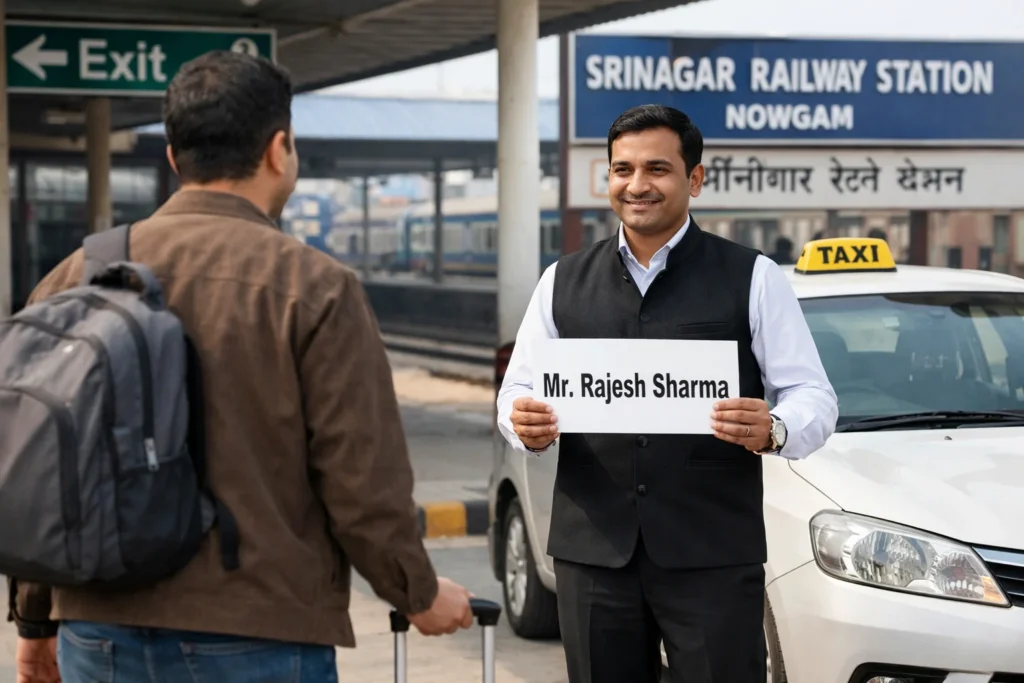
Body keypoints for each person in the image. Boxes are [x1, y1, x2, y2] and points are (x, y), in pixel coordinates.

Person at [9, 50, 473, 683]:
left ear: (174, 158)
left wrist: (35, 621)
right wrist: (416, 593)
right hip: (259, 632)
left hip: (99, 632)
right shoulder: (314, 286)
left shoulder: (75, 275)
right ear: (280, 149)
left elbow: (42, 467)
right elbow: (362, 482)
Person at [496, 104, 838, 683]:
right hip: (594, 555)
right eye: (622, 169)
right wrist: (520, 421)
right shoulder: (560, 281)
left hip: (711, 555)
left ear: (694, 179)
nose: (637, 185)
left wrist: (776, 426)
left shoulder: (752, 277)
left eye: (657, 168)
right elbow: (517, 392)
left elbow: (813, 395)